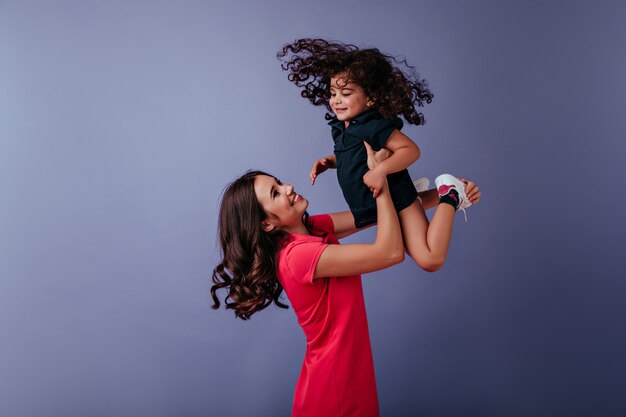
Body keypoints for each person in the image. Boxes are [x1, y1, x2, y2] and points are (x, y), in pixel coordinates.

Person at [211, 144, 481, 417]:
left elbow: (375, 215)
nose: (289, 187)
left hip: (348, 380)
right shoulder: (296, 257)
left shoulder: (312, 228)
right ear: (266, 224)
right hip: (334, 393)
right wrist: (382, 181)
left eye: (279, 183)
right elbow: (390, 252)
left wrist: (445, 193)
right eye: (276, 193)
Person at [278, 38, 474, 272]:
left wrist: (381, 170)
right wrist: (330, 162)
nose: (336, 100)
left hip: (397, 199)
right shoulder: (342, 127)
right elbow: (355, 157)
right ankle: (420, 196)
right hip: (381, 205)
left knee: (429, 259)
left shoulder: (373, 125)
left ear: (370, 98)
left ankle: (451, 194)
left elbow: (410, 150)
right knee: (411, 247)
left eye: (346, 93)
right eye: (332, 93)